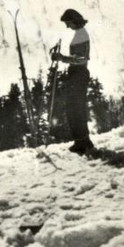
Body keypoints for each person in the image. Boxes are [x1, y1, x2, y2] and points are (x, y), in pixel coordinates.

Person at [52, 8, 95, 154]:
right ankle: (81, 141)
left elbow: (82, 59)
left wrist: (62, 58)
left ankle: (83, 142)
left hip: (79, 74)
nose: (67, 26)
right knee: (74, 109)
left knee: (75, 109)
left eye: (68, 23)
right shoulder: (79, 34)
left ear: (74, 21)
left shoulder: (82, 35)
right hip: (76, 75)